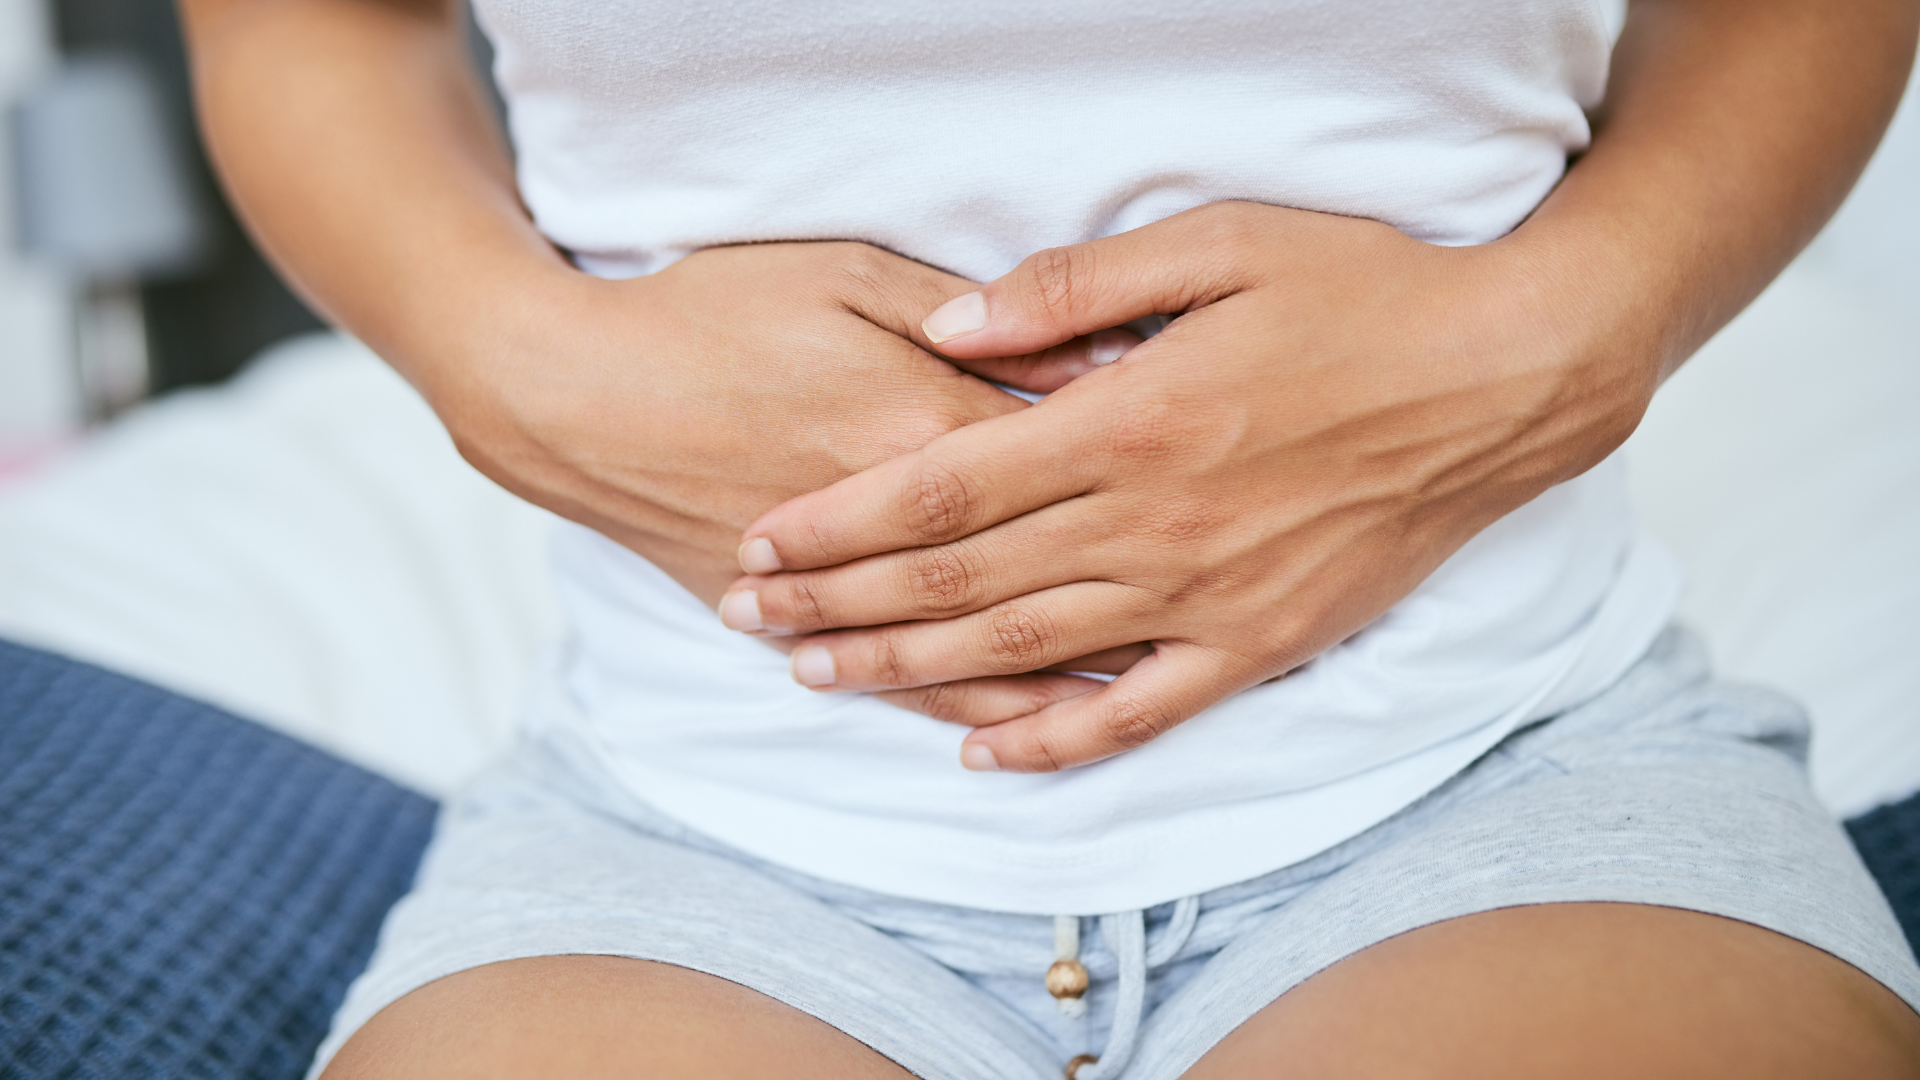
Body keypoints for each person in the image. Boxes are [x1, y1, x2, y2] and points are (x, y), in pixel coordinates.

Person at [175, 0, 1920, 1076]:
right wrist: (509, 363)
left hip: (1498, 772)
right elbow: (306, 16)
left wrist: (1583, 332)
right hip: (686, 838)